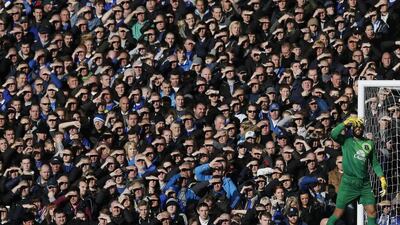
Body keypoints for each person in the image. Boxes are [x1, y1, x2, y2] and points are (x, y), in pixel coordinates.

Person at [325, 116, 387, 225]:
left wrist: (382, 178)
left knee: (372, 212)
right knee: (338, 213)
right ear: (353, 128)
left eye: (360, 127)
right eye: (356, 127)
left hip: (364, 184)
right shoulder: (346, 141)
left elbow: (375, 163)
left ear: (363, 128)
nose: (358, 129)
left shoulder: (369, 143)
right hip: (348, 183)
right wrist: (345, 122)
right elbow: (333, 134)